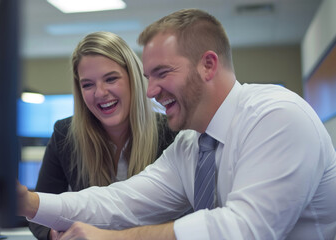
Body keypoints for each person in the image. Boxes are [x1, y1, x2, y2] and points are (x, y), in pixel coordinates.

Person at [18, 9, 336, 240]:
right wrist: (29, 202)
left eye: (162, 73)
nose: (150, 91)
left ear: (208, 65)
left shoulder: (276, 115)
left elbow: (242, 229)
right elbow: (119, 202)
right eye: (148, 77)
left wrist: (113, 239)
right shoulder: (191, 145)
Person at [28, 31, 177, 240]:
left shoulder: (173, 134)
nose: (99, 93)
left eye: (111, 79)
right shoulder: (65, 135)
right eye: (87, 84)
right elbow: (40, 210)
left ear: (133, 78)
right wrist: (56, 236)